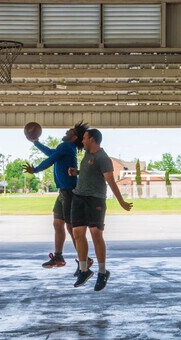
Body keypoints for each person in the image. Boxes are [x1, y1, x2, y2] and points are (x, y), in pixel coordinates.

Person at [68, 129, 133, 291]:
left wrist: (121, 202)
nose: (82, 141)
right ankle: (84, 270)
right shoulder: (87, 155)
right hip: (78, 198)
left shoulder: (103, 158)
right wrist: (78, 172)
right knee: (77, 234)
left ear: (92, 139)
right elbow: (91, 172)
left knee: (96, 234)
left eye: (84, 138)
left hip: (95, 200)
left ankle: (102, 272)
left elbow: (110, 181)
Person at [24, 121, 92, 272]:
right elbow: (51, 153)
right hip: (63, 191)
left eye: (71, 130)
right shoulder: (66, 147)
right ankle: (59, 256)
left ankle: (85, 259)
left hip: (69, 191)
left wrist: (35, 169)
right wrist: (36, 143)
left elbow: (50, 160)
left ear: (74, 137)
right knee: (57, 223)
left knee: (70, 227)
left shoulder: (67, 146)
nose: (67, 130)